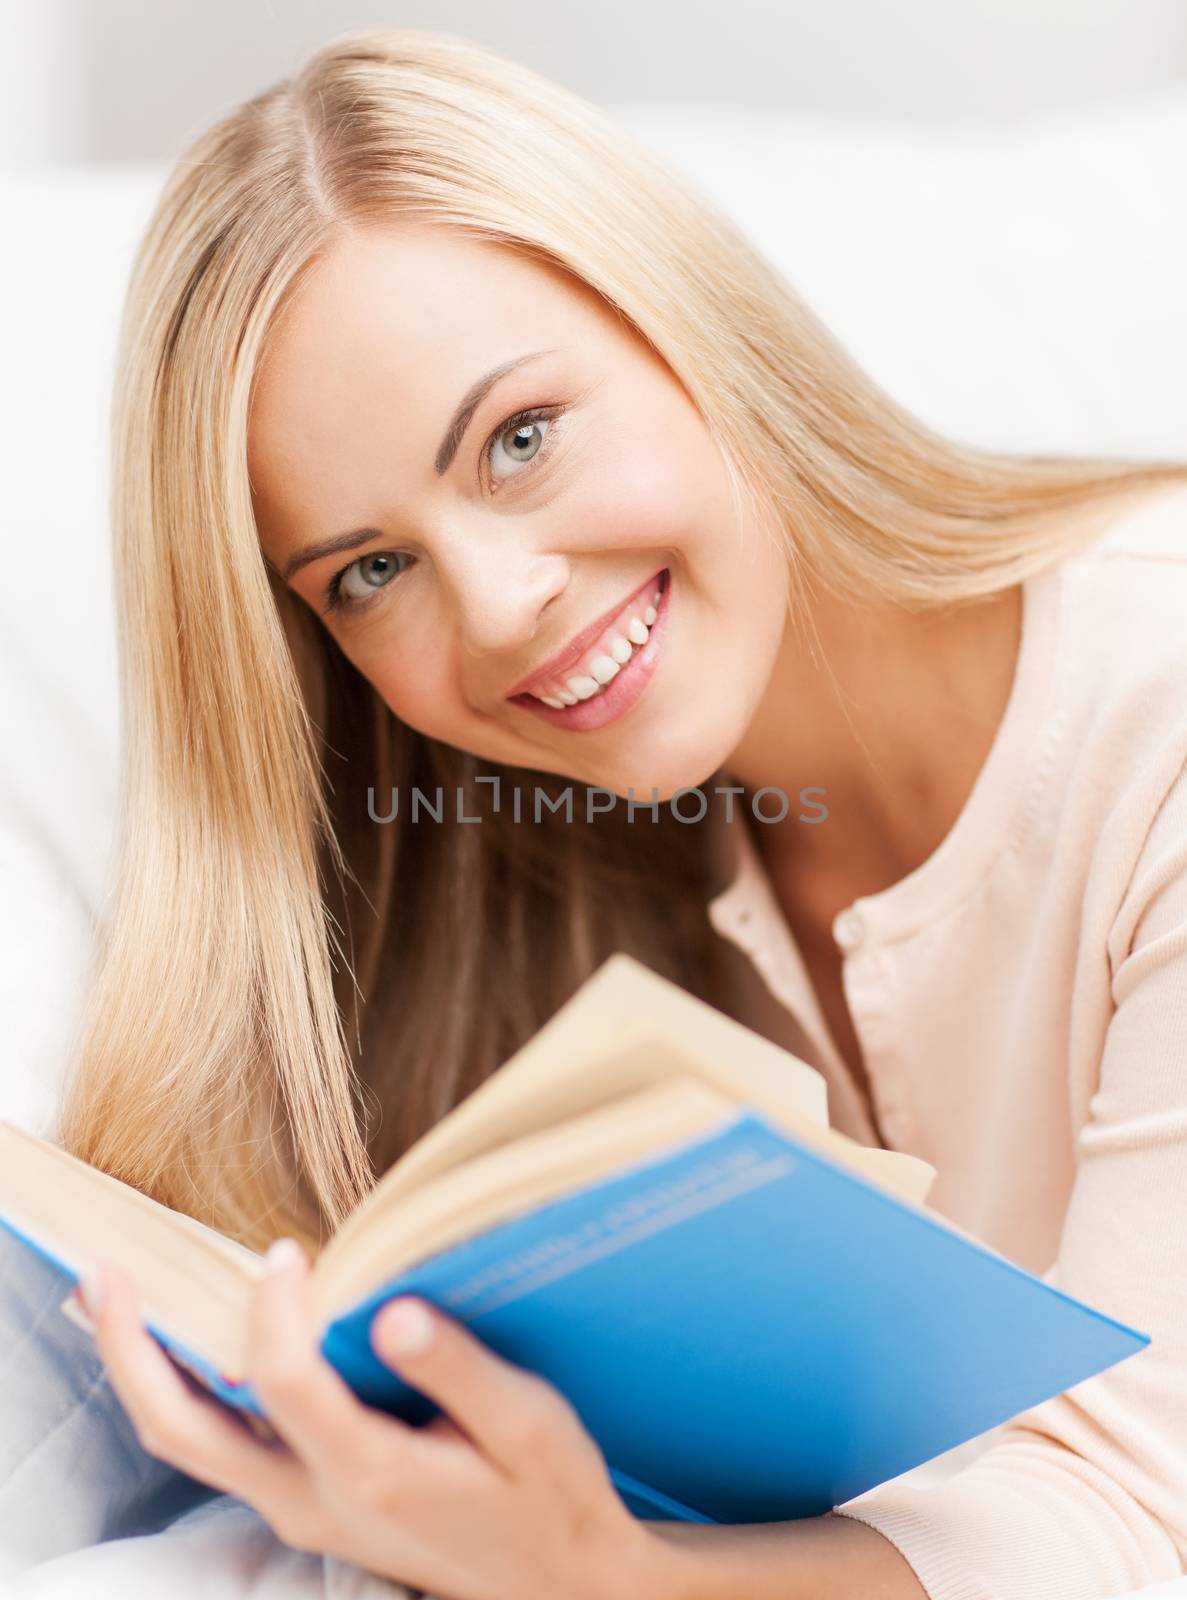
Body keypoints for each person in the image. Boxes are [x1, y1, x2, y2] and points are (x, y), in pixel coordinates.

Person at [6, 25, 1187, 1600]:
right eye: (369, 570)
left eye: (519, 438)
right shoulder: (555, 853)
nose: (495, 612)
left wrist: (598, 1576)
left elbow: (1142, 1527)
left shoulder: (1156, 709)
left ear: (692, 325)